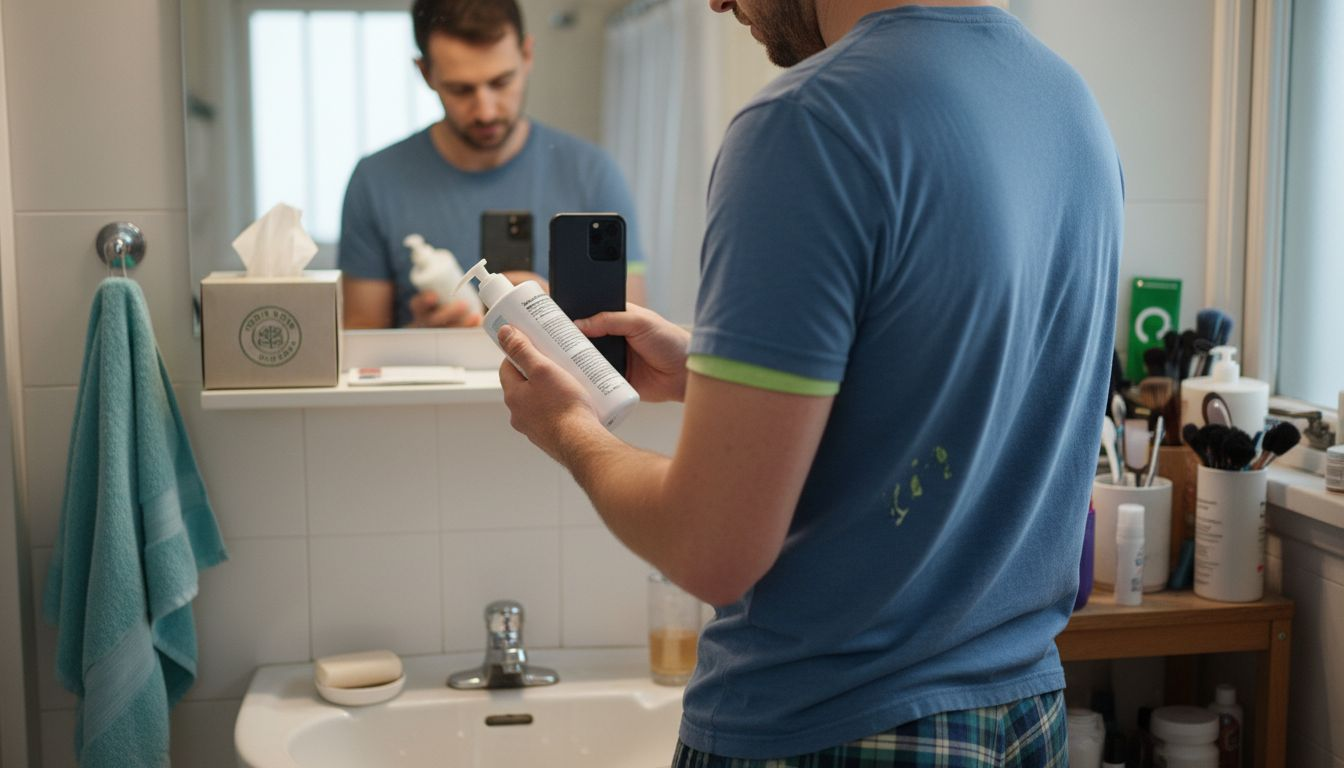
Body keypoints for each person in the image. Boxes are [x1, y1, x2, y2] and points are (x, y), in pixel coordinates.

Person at [498, 0, 1122, 765]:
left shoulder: (807, 124)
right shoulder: (1069, 106)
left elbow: (709, 549)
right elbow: (965, 383)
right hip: (1026, 713)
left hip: (833, 725)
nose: (718, 3)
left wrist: (569, 430)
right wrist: (715, 377)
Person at [339, 0, 644, 328]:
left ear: (527, 55)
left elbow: (630, 338)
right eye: (461, 90)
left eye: (501, 82)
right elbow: (360, 347)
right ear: (426, 73)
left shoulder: (593, 175)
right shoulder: (375, 182)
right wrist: (424, 337)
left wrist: (554, 312)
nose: (485, 110)